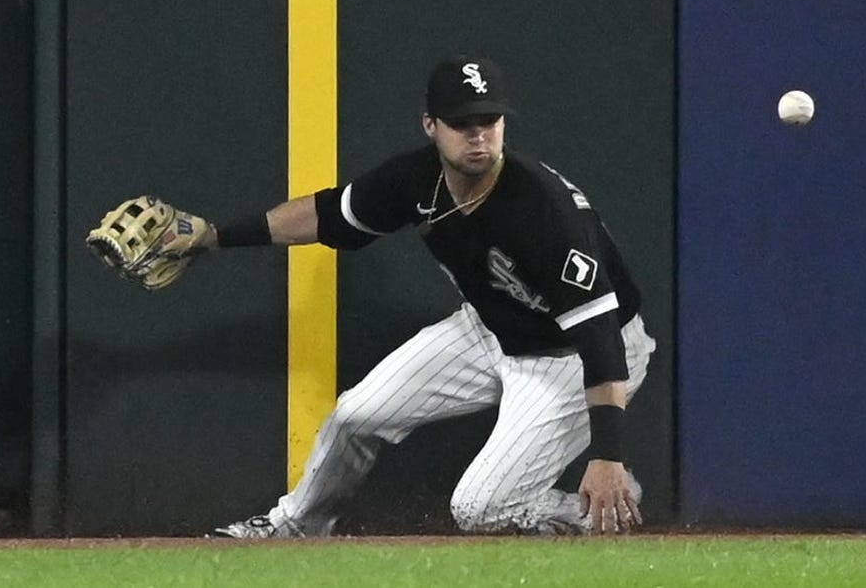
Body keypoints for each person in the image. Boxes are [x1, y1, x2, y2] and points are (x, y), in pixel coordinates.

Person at [204, 56, 655, 536]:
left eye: (489, 121)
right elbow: (325, 214)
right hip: (492, 326)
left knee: (480, 510)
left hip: (576, 353)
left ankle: (604, 511)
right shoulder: (416, 179)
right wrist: (212, 237)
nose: (478, 135)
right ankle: (295, 526)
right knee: (355, 414)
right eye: (462, 123)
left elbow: (600, 338)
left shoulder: (546, 210)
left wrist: (607, 455)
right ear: (430, 125)